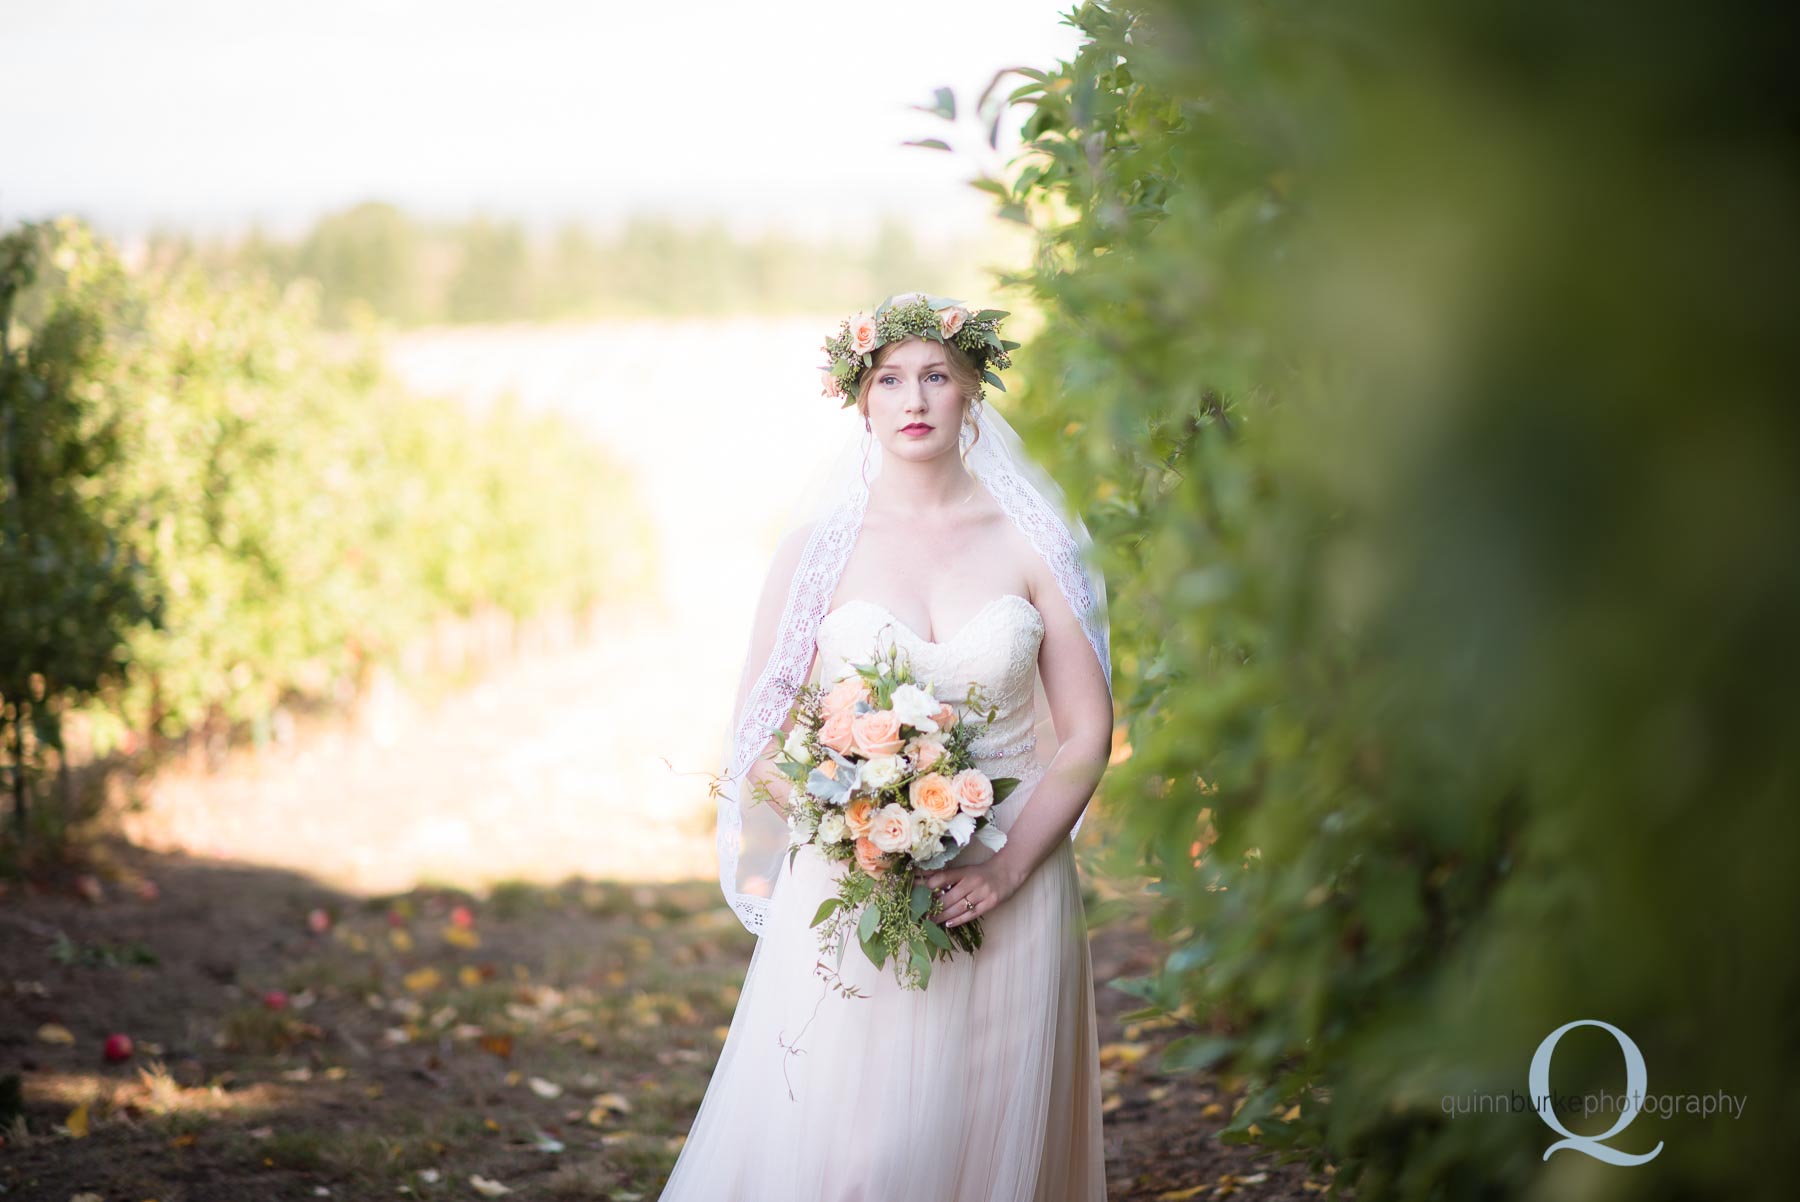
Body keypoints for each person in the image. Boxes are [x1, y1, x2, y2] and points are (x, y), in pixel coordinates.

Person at [659, 292, 1114, 1201]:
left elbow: (1089, 730)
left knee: (992, 1145)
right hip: (860, 885)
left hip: (1011, 879)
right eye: (890, 379)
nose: (915, 398)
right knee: (863, 1154)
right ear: (860, 400)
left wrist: (1008, 866)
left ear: (972, 392)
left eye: (937, 377)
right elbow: (759, 734)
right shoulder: (816, 552)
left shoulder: (1036, 540)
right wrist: (857, 827)